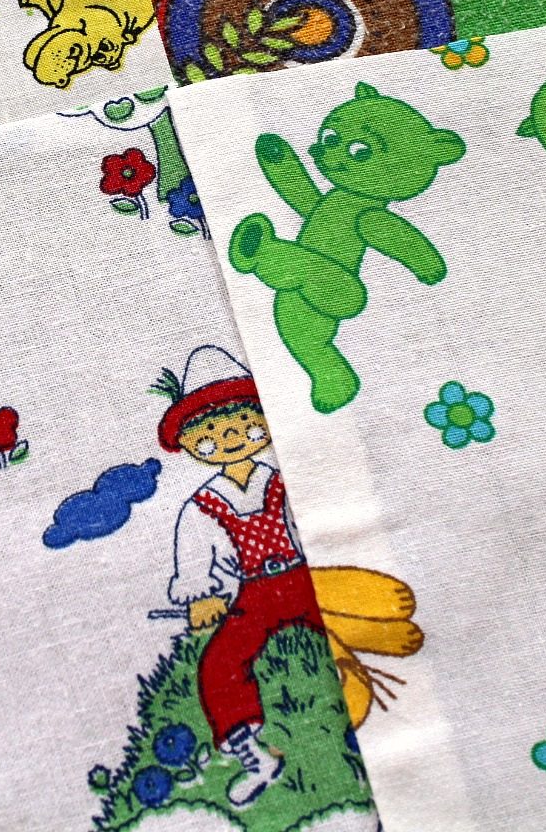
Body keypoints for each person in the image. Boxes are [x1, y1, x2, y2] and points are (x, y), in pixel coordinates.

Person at [158, 345, 322, 806]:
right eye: (209, 431)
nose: (229, 436)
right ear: (189, 442)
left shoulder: (284, 478)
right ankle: (252, 754)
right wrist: (200, 596)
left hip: (307, 576)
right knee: (220, 662)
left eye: (243, 421)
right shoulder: (205, 505)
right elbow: (194, 554)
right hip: (253, 592)